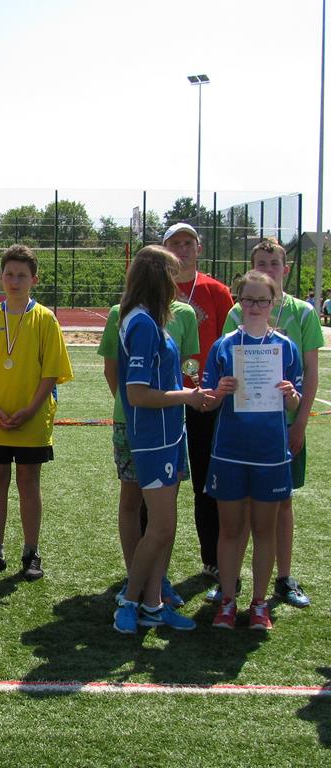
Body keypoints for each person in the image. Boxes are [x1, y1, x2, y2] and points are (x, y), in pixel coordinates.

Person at [216, 239, 321, 608]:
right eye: (261, 263)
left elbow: (310, 373)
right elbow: (224, 367)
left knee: (281, 505)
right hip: (241, 430)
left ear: (285, 269)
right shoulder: (236, 313)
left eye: (274, 263)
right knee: (241, 508)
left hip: (284, 427)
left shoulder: (303, 312)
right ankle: (232, 584)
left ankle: (283, 579)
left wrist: (300, 423)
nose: (268, 268)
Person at [112, 246, 210, 634]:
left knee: (164, 527)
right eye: (173, 274)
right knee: (161, 527)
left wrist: (191, 394)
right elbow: (137, 394)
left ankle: (153, 604)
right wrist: (188, 397)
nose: (179, 282)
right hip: (152, 438)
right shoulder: (141, 323)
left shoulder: (151, 319)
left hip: (169, 435)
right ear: (158, 278)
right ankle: (130, 600)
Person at [204, 270, 303, 631]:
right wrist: (219, 391)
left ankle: (259, 603)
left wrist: (291, 395)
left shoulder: (285, 347)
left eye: (263, 300)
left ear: (273, 302)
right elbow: (208, 402)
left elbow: (294, 403)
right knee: (230, 530)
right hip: (230, 451)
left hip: (270, 453)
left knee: (264, 530)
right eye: (248, 299)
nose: (255, 306)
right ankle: (228, 601)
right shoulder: (224, 345)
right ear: (239, 301)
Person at [0, 245, 73, 581]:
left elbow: (52, 372)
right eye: (9, 274)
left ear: (34, 280)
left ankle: (31, 552)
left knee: (29, 482)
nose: (14, 281)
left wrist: (30, 409)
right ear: (0, 277)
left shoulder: (45, 318)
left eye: (21, 275)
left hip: (33, 418)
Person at [98, 298, 198, 606]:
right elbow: (112, 370)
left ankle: (158, 581)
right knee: (131, 500)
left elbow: (184, 367)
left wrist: (189, 391)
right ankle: (135, 578)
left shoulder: (184, 313)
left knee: (165, 508)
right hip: (131, 422)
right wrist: (131, 408)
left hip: (170, 424)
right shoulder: (121, 314)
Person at [164, 222, 233, 581]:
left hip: (208, 398)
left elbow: (230, 343)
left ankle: (213, 559)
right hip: (166, 399)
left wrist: (216, 390)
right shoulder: (155, 290)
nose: (182, 249)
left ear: (199, 249)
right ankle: (150, 564)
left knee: (207, 479)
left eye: (188, 243)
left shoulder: (217, 291)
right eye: (175, 243)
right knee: (160, 483)